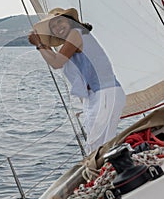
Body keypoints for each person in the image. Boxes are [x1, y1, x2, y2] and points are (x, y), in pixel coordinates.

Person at [28, 8, 126, 153]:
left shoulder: (76, 33)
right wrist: (43, 46)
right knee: (101, 145)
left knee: (96, 146)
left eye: (59, 22)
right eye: (53, 27)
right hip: (102, 94)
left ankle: (102, 172)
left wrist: (39, 45)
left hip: (105, 93)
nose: (57, 28)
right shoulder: (77, 37)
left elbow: (57, 62)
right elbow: (57, 60)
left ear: (69, 21)